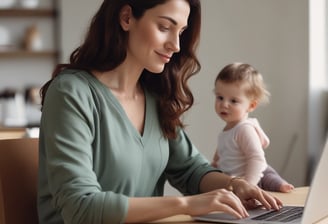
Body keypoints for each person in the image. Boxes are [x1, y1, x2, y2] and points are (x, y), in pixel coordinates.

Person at [37, 1, 282, 223]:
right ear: (126, 18)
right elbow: (80, 207)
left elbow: (191, 170)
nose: (175, 45)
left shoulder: (155, 97)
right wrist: (186, 204)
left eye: (181, 33)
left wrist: (234, 184)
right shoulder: (71, 93)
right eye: (165, 27)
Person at [211, 62, 294, 193]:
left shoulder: (244, 129)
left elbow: (257, 159)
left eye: (233, 101)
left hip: (251, 178)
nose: (224, 104)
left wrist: (248, 186)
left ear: (251, 106)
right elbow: (219, 156)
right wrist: (213, 167)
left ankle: (279, 185)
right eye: (220, 97)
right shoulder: (226, 131)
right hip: (234, 181)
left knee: (268, 175)